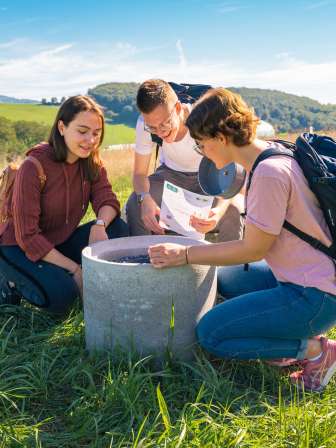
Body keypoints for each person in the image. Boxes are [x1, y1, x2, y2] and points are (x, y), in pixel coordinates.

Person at [148, 87, 336, 393]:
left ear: (221, 138)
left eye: (202, 145)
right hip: (308, 276)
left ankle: (316, 351)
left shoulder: (269, 174)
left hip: (313, 297)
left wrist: (184, 255)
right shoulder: (272, 153)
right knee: (226, 278)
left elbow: (253, 248)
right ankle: (278, 341)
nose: (203, 153)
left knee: (211, 334)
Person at [0, 95, 128, 314]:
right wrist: (75, 269)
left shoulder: (92, 162)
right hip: (17, 248)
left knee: (117, 229)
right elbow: (28, 238)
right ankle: (8, 284)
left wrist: (99, 224)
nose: (90, 140)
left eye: (96, 133)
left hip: (57, 241)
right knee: (65, 298)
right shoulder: (34, 166)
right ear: (62, 127)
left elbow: (107, 200)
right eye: (82, 131)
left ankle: (85, 279)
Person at [126, 79, 243, 242]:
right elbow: (139, 174)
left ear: (178, 108)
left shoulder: (204, 117)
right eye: (152, 127)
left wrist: (218, 212)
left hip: (212, 177)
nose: (160, 132)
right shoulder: (144, 124)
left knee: (233, 210)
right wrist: (144, 198)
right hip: (170, 176)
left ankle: (229, 265)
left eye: (165, 123)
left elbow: (232, 173)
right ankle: (143, 259)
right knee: (135, 204)